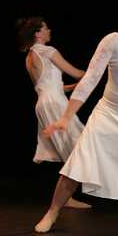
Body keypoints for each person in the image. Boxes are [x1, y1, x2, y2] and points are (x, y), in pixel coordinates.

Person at [35, 0, 118, 233]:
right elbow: (89, 79)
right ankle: (53, 212)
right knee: (79, 161)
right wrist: (66, 117)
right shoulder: (114, 40)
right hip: (110, 114)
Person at [15, 17, 90, 209]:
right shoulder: (48, 51)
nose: (50, 31)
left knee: (69, 148)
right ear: (38, 33)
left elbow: (50, 87)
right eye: (46, 28)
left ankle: (67, 197)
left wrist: (75, 86)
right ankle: (67, 196)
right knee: (79, 145)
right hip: (54, 104)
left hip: (44, 104)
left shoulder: (29, 57)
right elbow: (76, 73)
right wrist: (97, 71)